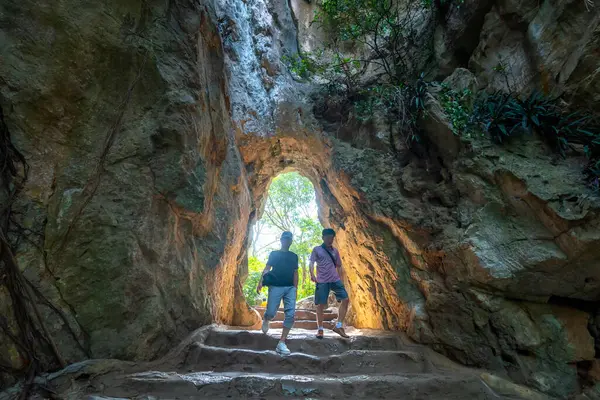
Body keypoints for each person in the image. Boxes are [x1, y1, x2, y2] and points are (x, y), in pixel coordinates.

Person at [256, 231, 299, 356]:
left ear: (291, 241)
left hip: (290, 287)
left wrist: (295, 289)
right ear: (281, 240)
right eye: (285, 239)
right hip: (275, 286)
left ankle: (282, 342)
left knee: (290, 314)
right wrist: (260, 282)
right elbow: (267, 268)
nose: (287, 241)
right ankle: (266, 318)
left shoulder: (294, 256)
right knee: (271, 312)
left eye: (289, 239)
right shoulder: (274, 254)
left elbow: (296, 273)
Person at [309, 228, 350, 339]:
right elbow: (311, 262)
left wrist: (341, 280)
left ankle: (339, 326)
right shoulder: (317, 249)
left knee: (345, 299)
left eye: (332, 238)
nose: (330, 240)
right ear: (323, 238)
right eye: (328, 237)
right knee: (320, 305)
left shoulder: (335, 251)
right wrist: (312, 274)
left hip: (335, 280)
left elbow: (339, 266)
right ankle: (320, 329)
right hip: (322, 281)